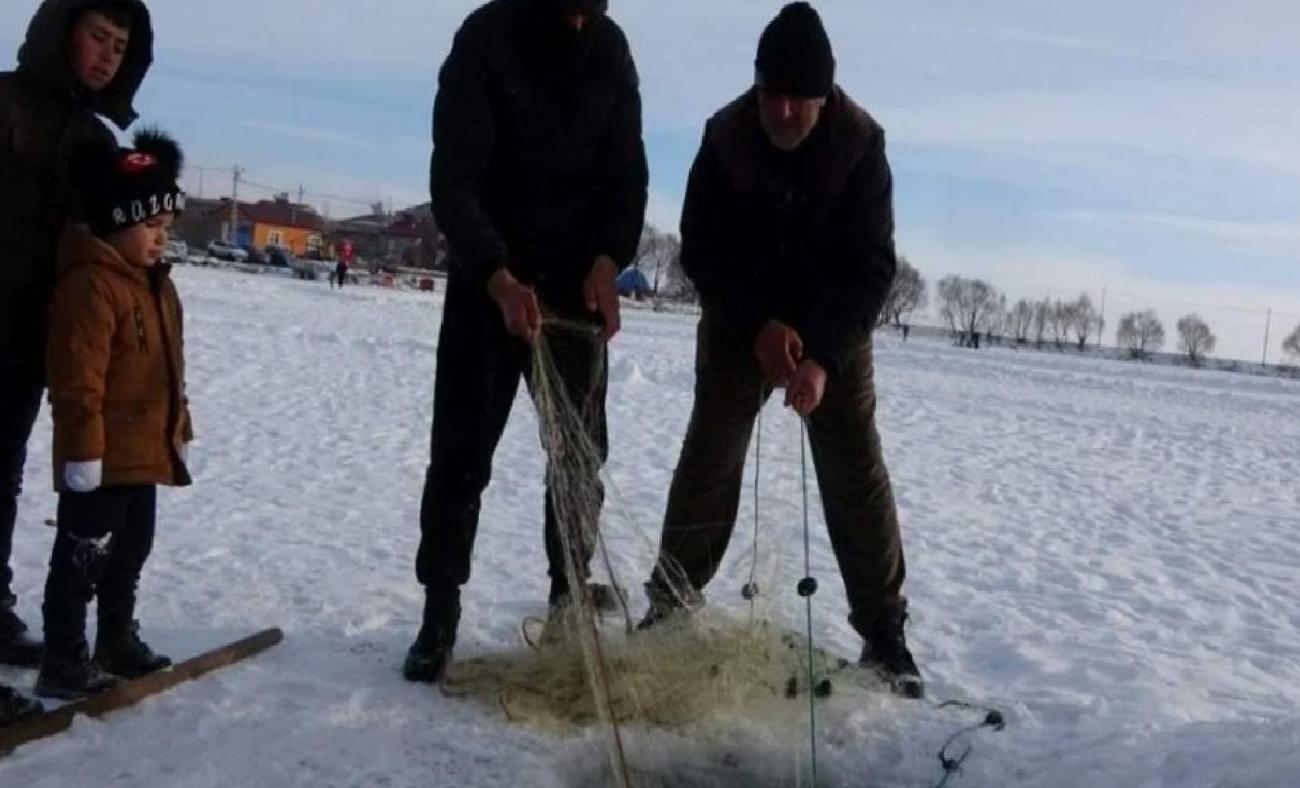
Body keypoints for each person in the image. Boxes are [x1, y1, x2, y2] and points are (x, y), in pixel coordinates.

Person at [640, 2, 923, 698]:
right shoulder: (725, 135)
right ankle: (671, 601)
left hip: (832, 328)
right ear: (757, 85)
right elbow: (701, 250)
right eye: (774, 94)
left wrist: (823, 357)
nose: (785, 111)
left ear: (825, 99)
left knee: (855, 467)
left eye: (801, 99)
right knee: (710, 455)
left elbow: (872, 269)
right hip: (742, 318)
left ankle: (884, 629)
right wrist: (756, 327)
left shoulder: (861, 144)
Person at [403, 0, 647, 683]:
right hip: (489, 283)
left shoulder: (612, 51)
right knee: (460, 454)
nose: (579, 24)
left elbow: (627, 175)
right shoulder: (485, 38)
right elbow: (454, 182)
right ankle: (440, 606)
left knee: (578, 459)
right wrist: (497, 275)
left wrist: (610, 259)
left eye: (590, 11)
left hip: (575, 289)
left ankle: (569, 598)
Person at [0, 0, 153, 723]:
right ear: (63, 32)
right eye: (98, 36)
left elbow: (108, 234)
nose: (107, 55)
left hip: (32, 342)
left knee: (3, 478)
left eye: (120, 46)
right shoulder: (6, 104)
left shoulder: (94, 137)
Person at [37, 128, 191, 700]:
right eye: (150, 226)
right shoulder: (91, 287)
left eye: (166, 227)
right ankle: (63, 656)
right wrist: (83, 456)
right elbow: (77, 385)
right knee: (82, 560)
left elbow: (171, 371)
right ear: (116, 221)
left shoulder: (157, 287)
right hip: (99, 459)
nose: (161, 238)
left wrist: (179, 431)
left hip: (143, 453)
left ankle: (115, 638)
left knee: (129, 554)